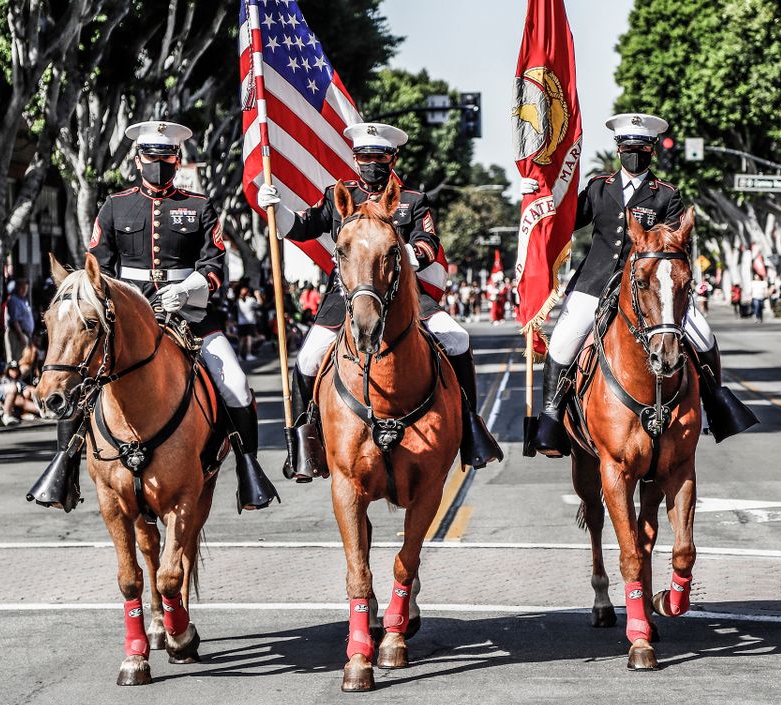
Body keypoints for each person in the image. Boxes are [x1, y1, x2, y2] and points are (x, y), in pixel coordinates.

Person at [29, 120, 278, 513]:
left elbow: (215, 265)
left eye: (166, 157)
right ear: (138, 159)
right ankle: (64, 467)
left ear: (177, 159)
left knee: (236, 384)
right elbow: (99, 265)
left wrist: (188, 289)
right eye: (151, 157)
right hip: (127, 317)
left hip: (189, 315)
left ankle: (250, 470)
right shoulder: (115, 206)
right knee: (83, 381)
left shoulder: (198, 207)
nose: (158, 164)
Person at [257, 122, 503, 471]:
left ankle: (470, 430)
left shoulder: (412, 199)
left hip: (403, 295)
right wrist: (277, 209)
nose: (371, 163)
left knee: (458, 338)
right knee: (308, 360)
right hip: (344, 298)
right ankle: (306, 445)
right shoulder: (337, 196)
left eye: (379, 156)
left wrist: (408, 254)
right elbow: (304, 225)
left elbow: (428, 241)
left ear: (392, 157)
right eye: (364, 156)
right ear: (355, 159)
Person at [527, 113, 757, 457]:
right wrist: (538, 199)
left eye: (642, 149)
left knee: (704, 336)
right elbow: (565, 224)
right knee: (562, 342)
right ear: (618, 150)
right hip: (596, 281)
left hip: (654, 287)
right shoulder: (598, 187)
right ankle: (550, 419)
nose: (635, 155)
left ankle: (716, 405)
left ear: (652, 151)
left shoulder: (666, 196)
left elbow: (679, 244)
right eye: (629, 148)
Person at [4, 277, 35, 366]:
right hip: (17, 334)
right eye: (22, 288)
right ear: (17, 288)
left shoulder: (24, 300)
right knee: (16, 361)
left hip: (25, 334)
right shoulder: (13, 300)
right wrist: (21, 336)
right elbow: (15, 321)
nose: (24, 290)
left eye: (25, 288)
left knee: (26, 360)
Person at [235, 284, 262, 361]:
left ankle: (239, 355)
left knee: (241, 340)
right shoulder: (251, 300)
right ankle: (248, 354)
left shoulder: (238, 301)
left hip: (241, 322)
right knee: (249, 338)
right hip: (250, 322)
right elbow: (260, 304)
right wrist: (258, 295)